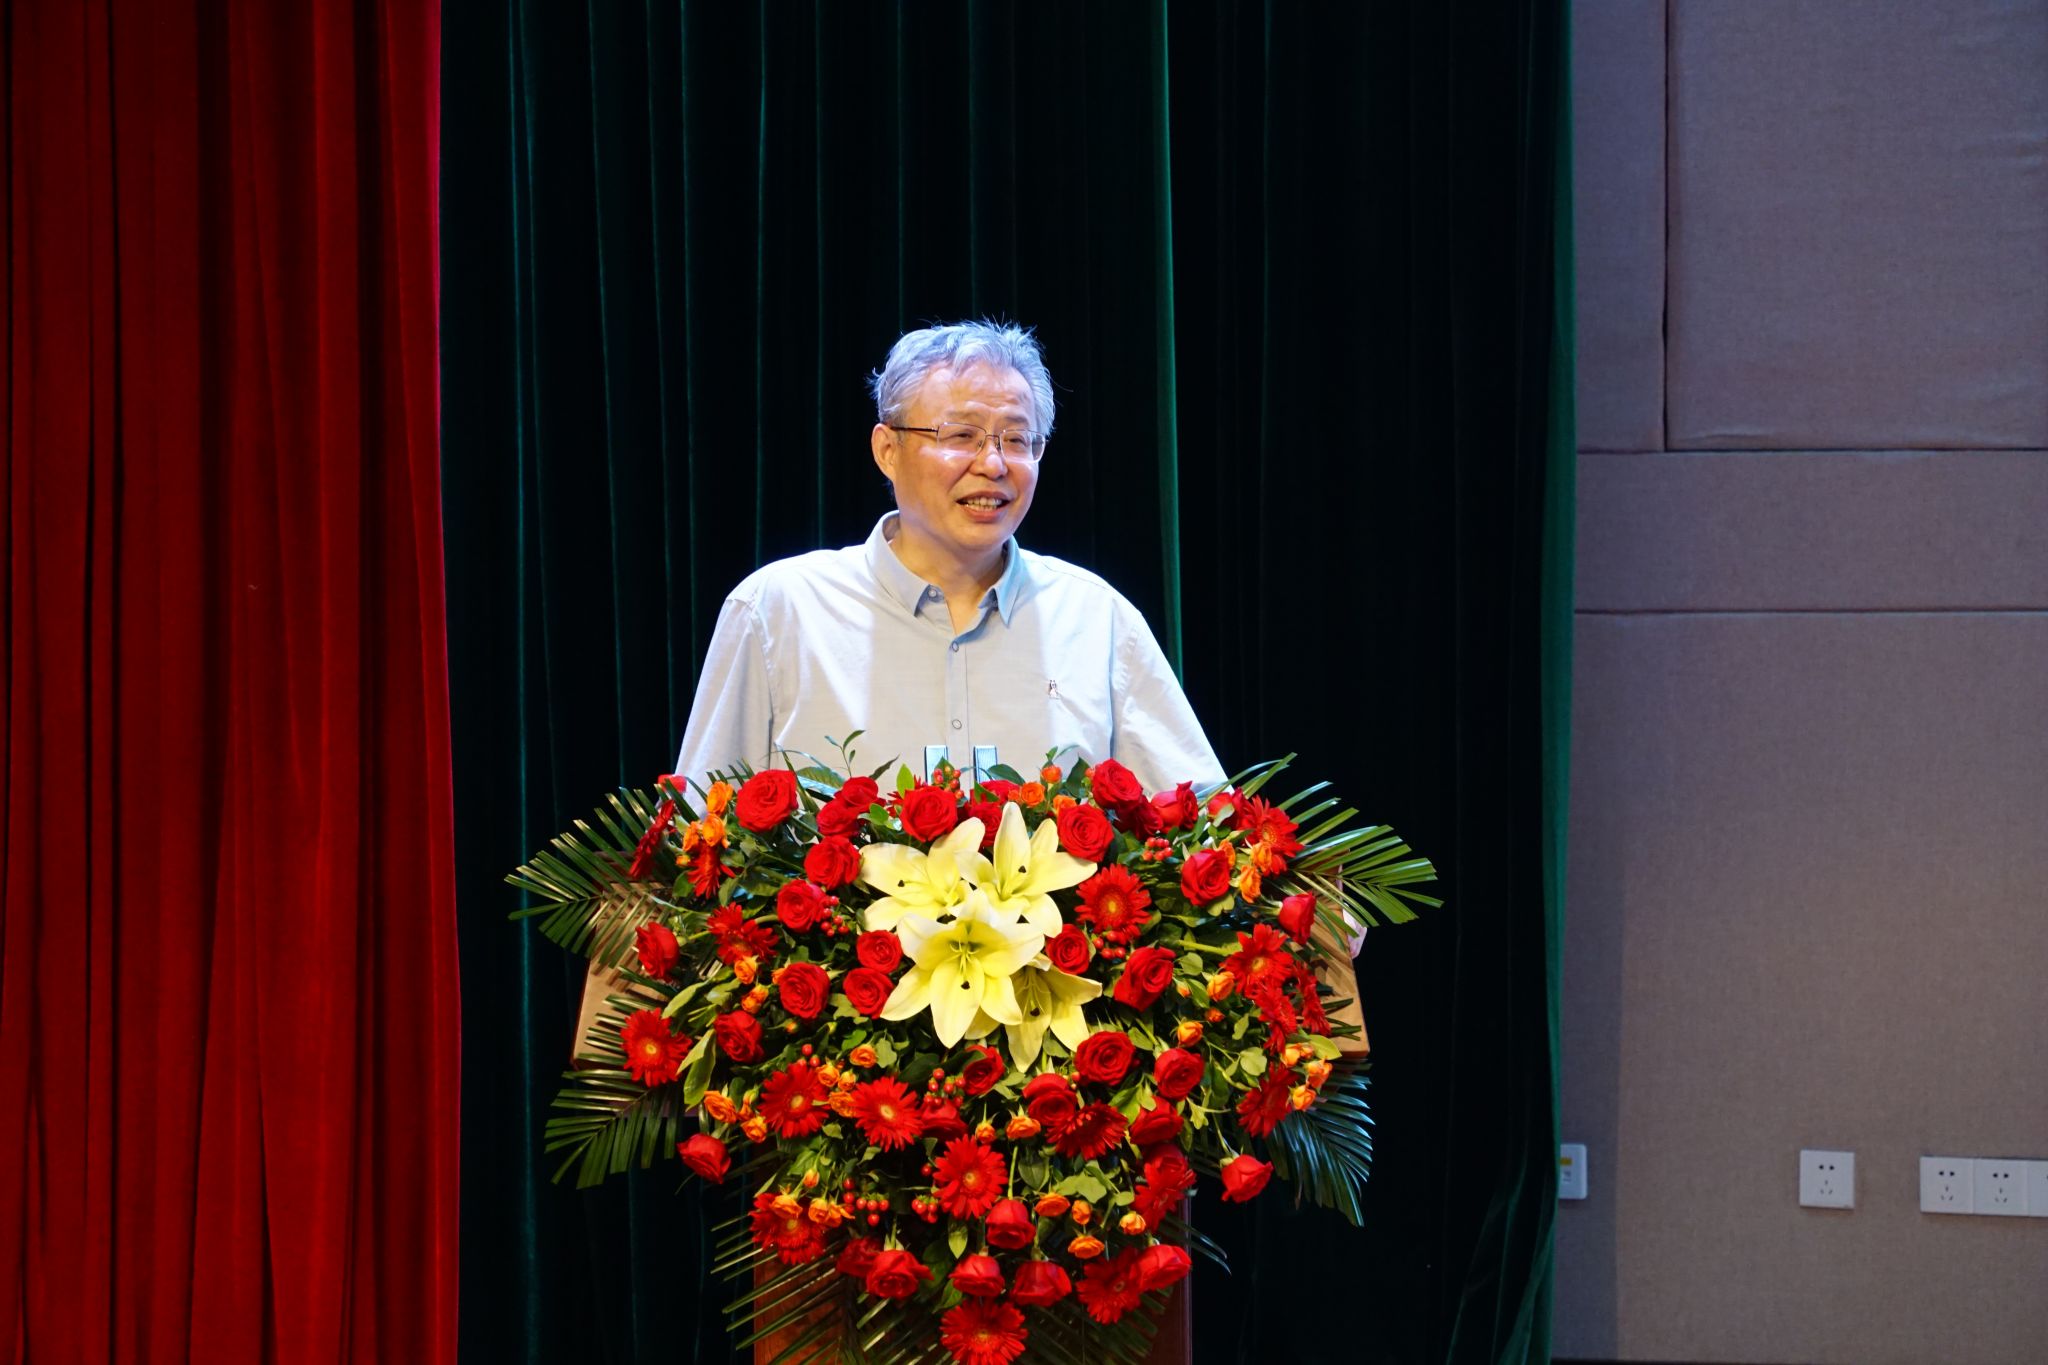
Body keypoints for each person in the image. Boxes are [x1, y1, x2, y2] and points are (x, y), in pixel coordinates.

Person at [670, 319, 1223, 793]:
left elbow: (1206, 833)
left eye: (1017, 440)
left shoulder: (1097, 619)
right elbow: (696, 841)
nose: (994, 464)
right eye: (961, 436)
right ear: (888, 450)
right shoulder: (778, 611)